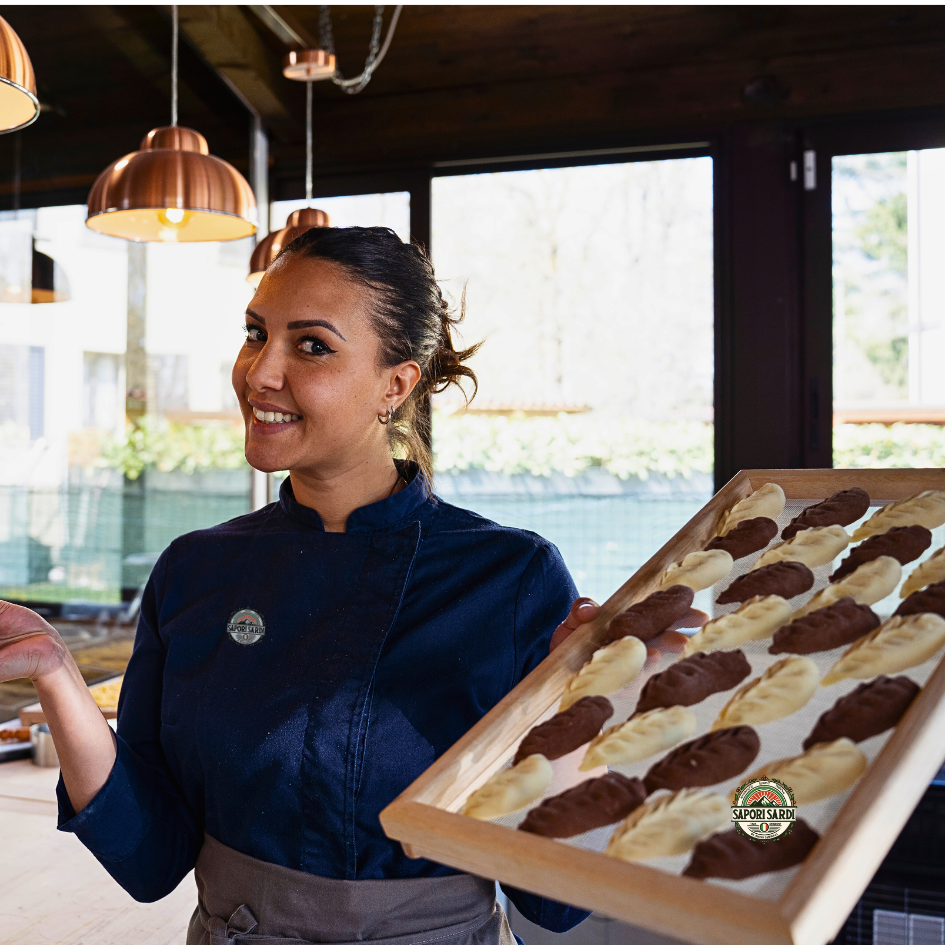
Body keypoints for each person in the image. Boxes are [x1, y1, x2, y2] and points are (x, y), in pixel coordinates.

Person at [0, 227, 602, 945]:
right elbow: (152, 858)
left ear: (396, 383)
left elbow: (557, 903)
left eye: (311, 345)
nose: (259, 372)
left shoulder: (510, 577)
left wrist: (582, 707)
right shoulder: (195, 570)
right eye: (255, 334)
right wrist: (56, 673)